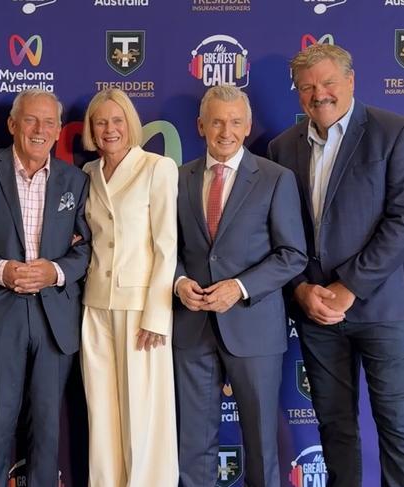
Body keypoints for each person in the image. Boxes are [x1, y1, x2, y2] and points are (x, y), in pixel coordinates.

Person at [267, 43, 404, 486]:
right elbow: (277, 234)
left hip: (381, 310)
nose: (318, 94)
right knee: (334, 428)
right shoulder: (281, 147)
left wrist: (350, 286)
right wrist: (301, 290)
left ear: (350, 80)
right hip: (315, 312)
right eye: (307, 87)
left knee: (397, 427)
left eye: (327, 83)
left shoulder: (393, 131)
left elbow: (400, 219)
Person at [173, 85, 307, 487]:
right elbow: (167, 247)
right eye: (216, 121)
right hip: (192, 328)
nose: (225, 131)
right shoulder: (177, 178)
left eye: (234, 122)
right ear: (201, 126)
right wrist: (178, 281)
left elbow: (292, 254)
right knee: (191, 444)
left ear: (247, 126)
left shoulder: (275, 179)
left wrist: (240, 287)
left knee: (261, 443)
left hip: (254, 328)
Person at [0, 89, 90, 487]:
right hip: (0, 312)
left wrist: (54, 272)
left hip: (55, 315)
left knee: (47, 429)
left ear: (58, 131)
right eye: (31, 121)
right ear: (13, 125)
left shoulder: (76, 179)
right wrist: (2, 270)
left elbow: (86, 247)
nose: (40, 130)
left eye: (49, 122)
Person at [80, 88, 179, 487]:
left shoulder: (158, 167)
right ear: (91, 129)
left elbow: (166, 246)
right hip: (95, 305)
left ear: (130, 124)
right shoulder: (87, 174)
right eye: (101, 122)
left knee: (143, 413)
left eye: (117, 121)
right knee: (101, 412)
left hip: (141, 309)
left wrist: (158, 314)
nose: (109, 129)